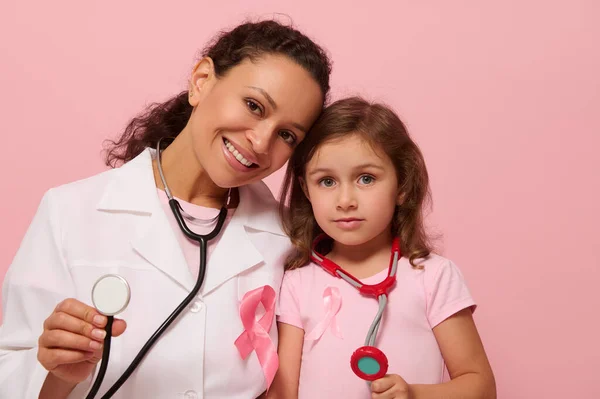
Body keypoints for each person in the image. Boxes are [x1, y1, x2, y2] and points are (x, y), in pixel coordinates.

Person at [0, 20, 331, 399]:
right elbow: (11, 370)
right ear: (201, 80)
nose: (260, 141)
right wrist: (58, 373)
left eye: (287, 134)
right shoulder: (70, 212)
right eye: (254, 106)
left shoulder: (288, 239)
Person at [269, 97, 496, 398]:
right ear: (305, 190)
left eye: (366, 178)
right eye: (326, 181)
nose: (345, 199)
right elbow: (283, 393)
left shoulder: (432, 276)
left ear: (402, 185)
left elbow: (480, 385)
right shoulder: (297, 283)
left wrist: (414, 394)